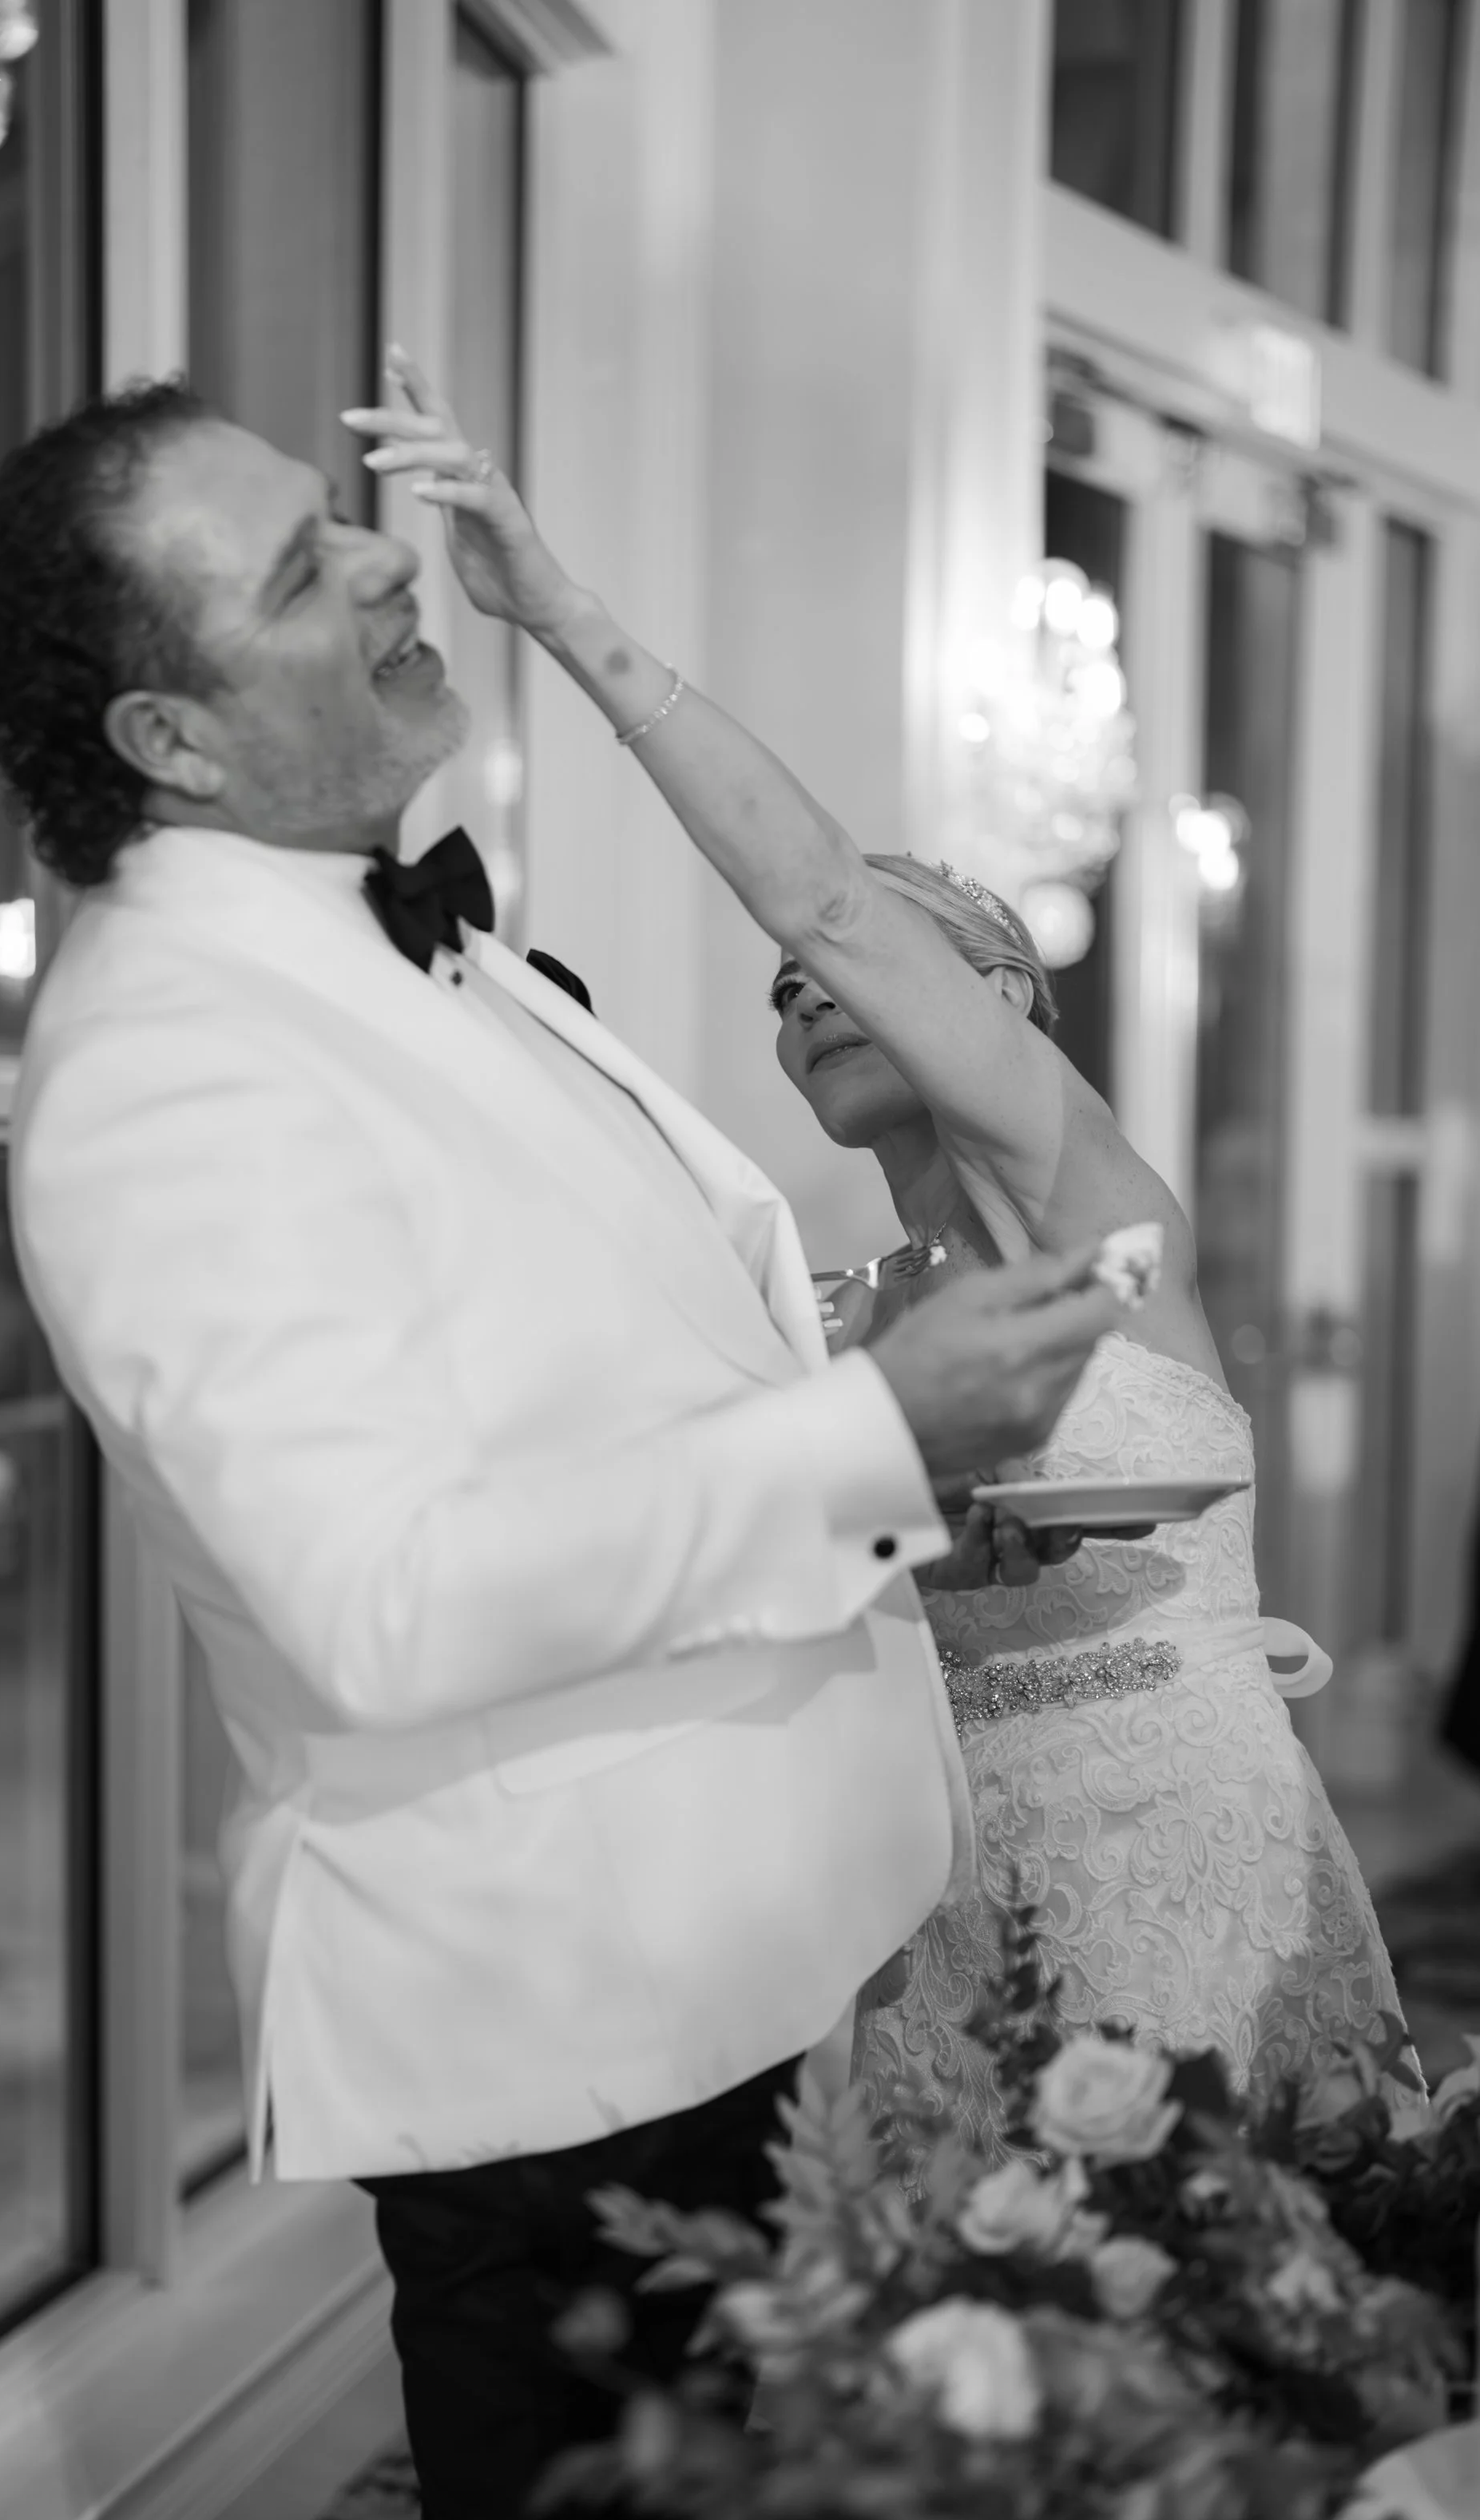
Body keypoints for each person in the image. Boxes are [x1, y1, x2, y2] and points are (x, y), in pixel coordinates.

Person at [0, 375, 1121, 2520]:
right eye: (299, 575)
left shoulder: (409, 922)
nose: (385, 572)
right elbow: (374, 1599)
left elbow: (576, 1363)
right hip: (583, 2027)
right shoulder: (167, 1067)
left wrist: (846, 1381)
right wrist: (863, 1434)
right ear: (164, 732)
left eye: (346, 524)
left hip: (748, 1948)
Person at [349, 355, 1416, 2150]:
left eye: (844, 975)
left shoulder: (1080, 1190)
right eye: (782, 1004)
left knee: (1206, 2308)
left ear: (997, 999)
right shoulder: (820, 1312)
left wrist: (562, 618)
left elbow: (817, 895)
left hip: (1177, 1825)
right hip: (935, 1879)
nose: (800, 996)